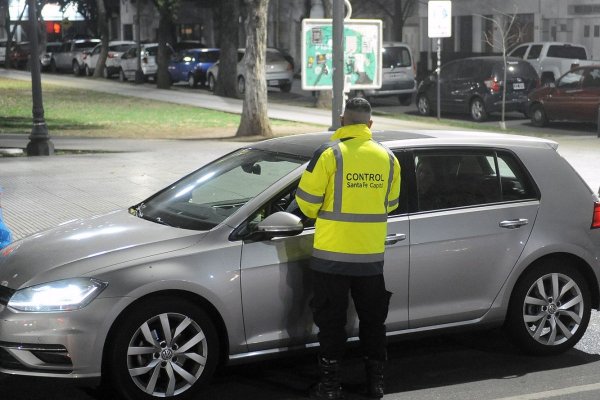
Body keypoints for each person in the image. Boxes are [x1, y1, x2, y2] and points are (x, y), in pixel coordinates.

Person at [295, 97, 401, 399]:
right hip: (370, 260)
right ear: (370, 124)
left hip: (330, 260)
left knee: (330, 324)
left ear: (343, 121)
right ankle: (376, 384)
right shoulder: (389, 158)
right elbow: (390, 204)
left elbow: (306, 204)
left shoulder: (328, 155)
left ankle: (330, 386)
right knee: (373, 322)